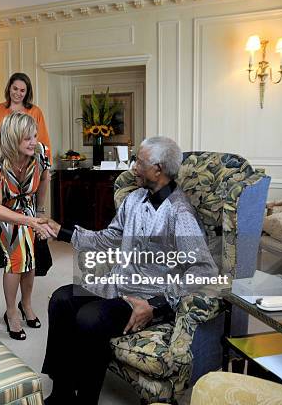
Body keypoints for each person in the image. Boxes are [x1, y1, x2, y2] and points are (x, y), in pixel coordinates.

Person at [42, 136, 219, 404]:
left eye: (139, 161)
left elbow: (204, 269)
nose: (134, 166)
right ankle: (62, 394)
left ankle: (85, 400)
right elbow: (110, 237)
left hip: (144, 299)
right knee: (61, 299)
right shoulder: (135, 199)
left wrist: (157, 304)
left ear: (158, 169)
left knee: (90, 318)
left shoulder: (179, 213)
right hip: (116, 286)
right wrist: (62, 232)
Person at [0, 112, 53, 340]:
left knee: (29, 255)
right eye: (27, 138)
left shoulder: (39, 152)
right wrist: (30, 221)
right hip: (2, 209)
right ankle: (12, 311)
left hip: (28, 205)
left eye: (34, 135)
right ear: (12, 139)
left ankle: (27, 304)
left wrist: (39, 211)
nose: (34, 142)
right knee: (17, 257)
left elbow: (44, 180)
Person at [0, 72, 52, 269]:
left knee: (26, 228)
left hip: (26, 171)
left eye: (22, 90)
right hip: (1, 171)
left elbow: (42, 143)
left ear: (27, 92)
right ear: (8, 88)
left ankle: (23, 261)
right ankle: (4, 257)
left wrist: (43, 169)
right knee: (1, 212)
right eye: (15, 88)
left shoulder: (34, 111)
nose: (18, 93)